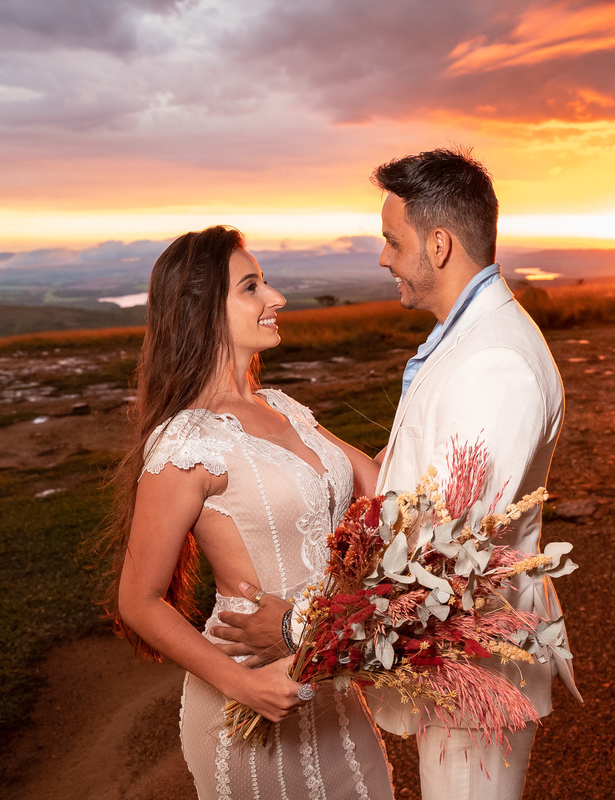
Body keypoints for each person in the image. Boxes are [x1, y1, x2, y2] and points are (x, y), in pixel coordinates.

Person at [97, 226, 394, 800]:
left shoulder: (284, 408)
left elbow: (381, 486)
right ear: (201, 310)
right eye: (252, 287)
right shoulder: (186, 441)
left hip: (331, 682)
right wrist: (243, 686)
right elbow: (136, 599)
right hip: (249, 698)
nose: (276, 298)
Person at [364, 147, 581, 799]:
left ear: (437, 244)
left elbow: (452, 561)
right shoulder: (464, 341)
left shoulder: (494, 365)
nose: (382, 258)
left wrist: (303, 628)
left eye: (390, 241)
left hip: (473, 668)